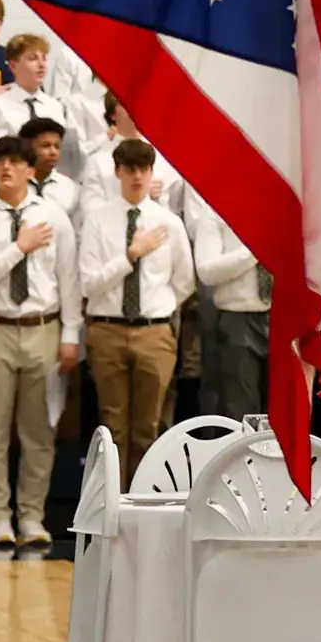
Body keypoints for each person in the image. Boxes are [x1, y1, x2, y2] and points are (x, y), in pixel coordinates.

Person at [0, 134, 81, 556]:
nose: (5, 168)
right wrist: (19, 246)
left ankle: (31, 515)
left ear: (31, 170)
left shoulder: (54, 216)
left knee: (38, 430)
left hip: (43, 327)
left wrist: (70, 335)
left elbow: (69, 280)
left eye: (14, 162)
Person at [78, 139, 193, 477]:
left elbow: (184, 281)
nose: (138, 176)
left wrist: (161, 312)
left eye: (144, 169)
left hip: (154, 331)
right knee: (112, 427)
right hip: (107, 328)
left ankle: (143, 510)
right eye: (130, 169)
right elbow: (89, 283)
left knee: (149, 426)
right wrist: (130, 255)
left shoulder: (168, 222)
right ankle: (113, 509)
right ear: (117, 172)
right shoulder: (98, 220)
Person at [189, 192, 274, 419]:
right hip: (238, 319)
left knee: (282, 414)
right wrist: (253, 251)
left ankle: (277, 457)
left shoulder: (285, 211)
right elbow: (206, 271)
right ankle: (245, 457)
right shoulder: (216, 211)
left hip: (282, 319)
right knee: (241, 410)